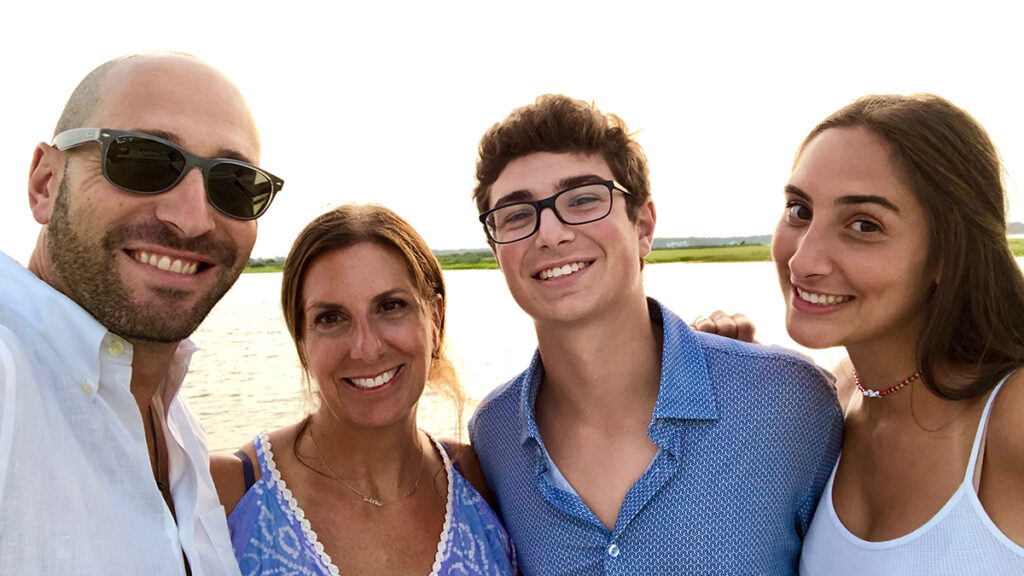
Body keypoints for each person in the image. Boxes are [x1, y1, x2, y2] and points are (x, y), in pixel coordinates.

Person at [466, 94, 844, 574]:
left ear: (643, 225)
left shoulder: (789, 400)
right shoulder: (493, 436)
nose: (550, 233)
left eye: (583, 200)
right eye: (517, 215)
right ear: (496, 250)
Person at [0, 53, 283, 574]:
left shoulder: (173, 421)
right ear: (45, 183)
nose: (193, 220)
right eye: (143, 161)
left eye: (235, 184)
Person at [769, 94, 1024, 574]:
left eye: (863, 225)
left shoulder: (1010, 417)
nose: (802, 261)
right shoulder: (836, 398)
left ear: (949, 254)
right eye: (799, 210)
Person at [210, 204, 516, 576]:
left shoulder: (481, 478)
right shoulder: (230, 494)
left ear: (434, 317)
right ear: (301, 339)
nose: (367, 348)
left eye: (391, 306)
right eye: (331, 318)